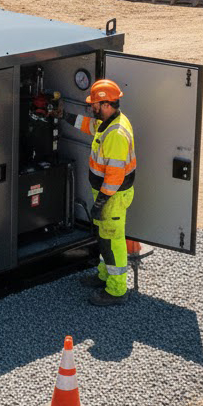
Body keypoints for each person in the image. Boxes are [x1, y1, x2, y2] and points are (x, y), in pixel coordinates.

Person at [62, 79, 136, 306]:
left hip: (112, 197)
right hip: (107, 195)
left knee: (113, 242)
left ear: (105, 104)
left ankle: (116, 291)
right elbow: (88, 126)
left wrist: (100, 202)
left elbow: (115, 176)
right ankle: (105, 276)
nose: (91, 108)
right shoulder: (107, 123)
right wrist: (62, 115)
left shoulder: (116, 134)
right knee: (104, 238)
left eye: (93, 104)